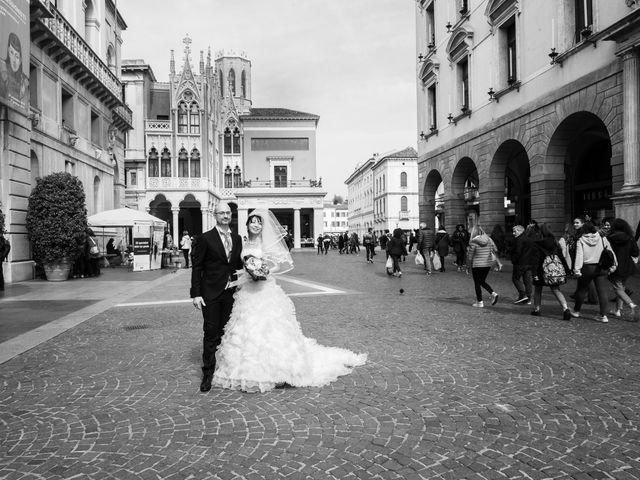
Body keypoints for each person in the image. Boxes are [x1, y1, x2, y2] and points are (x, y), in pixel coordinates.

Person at [211, 209, 366, 393]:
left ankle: (278, 369)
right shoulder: (242, 243)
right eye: (252, 221)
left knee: (270, 328)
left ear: (263, 226)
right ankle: (244, 370)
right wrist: (247, 272)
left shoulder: (266, 244)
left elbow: (278, 263)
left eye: (258, 222)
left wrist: (264, 270)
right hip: (247, 291)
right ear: (247, 224)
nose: (255, 224)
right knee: (245, 327)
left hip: (264, 290)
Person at [190, 202, 244, 393]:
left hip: (230, 293)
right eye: (221, 213)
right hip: (210, 293)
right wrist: (195, 293)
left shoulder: (237, 238)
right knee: (211, 332)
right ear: (215, 215)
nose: (225, 215)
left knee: (225, 331)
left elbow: (237, 264)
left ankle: (223, 368)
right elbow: (197, 267)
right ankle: (208, 374)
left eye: (228, 212)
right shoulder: (205, 239)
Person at [572, 223, 618, 323]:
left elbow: (579, 255)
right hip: (601, 267)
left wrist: (577, 270)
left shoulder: (581, 240)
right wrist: (614, 265)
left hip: (587, 267)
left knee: (581, 290)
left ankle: (576, 311)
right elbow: (611, 252)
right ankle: (603, 315)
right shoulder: (602, 238)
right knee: (602, 291)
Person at [530, 224, 576, 320]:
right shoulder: (555, 243)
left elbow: (535, 260)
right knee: (556, 289)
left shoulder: (537, 243)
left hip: (540, 270)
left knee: (538, 290)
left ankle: (537, 309)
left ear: (541, 232)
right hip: (553, 271)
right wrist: (567, 270)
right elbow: (562, 257)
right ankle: (565, 308)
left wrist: (534, 273)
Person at [607, 218, 639, 321]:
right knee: (622, 287)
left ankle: (631, 304)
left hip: (615, 265)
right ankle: (618, 310)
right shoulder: (630, 238)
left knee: (617, 288)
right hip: (628, 266)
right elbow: (635, 253)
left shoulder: (610, 238)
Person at [467, 225, 499, 308]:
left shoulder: (474, 241)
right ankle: (493, 294)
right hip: (487, 264)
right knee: (482, 281)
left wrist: (468, 266)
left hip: (477, 265)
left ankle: (480, 302)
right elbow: (495, 249)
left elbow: (470, 256)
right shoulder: (488, 239)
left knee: (477, 283)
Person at [0, 32, 29, 108]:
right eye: (11, 53)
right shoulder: (2, 71)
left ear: (20, 60)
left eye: (16, 56)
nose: (14, 60)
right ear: (8, 52)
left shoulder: (24, 82)